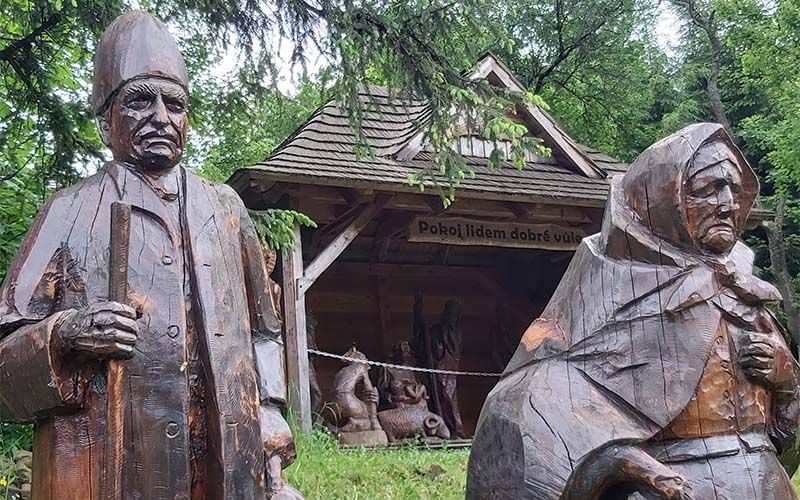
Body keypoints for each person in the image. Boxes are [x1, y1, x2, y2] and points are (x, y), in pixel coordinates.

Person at [0, 11, 302, 500]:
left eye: (175, 104)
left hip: (229, 475)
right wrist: (66, 334)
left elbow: (265, 335)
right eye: (140, 100)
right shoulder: (67, 212)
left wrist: (270, 422)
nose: (161, 117)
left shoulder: (225, 210)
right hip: (105, 475)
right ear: (105, 122)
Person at [467, 123, 800, 500]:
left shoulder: (747, 297)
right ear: (662, 197)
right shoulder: (613, 286)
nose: (727, 204)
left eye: (735, 191)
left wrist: (786, 384)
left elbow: (783, 438)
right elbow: (537, 398)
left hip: (767, 484)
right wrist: (624, 461)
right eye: (708, 189)